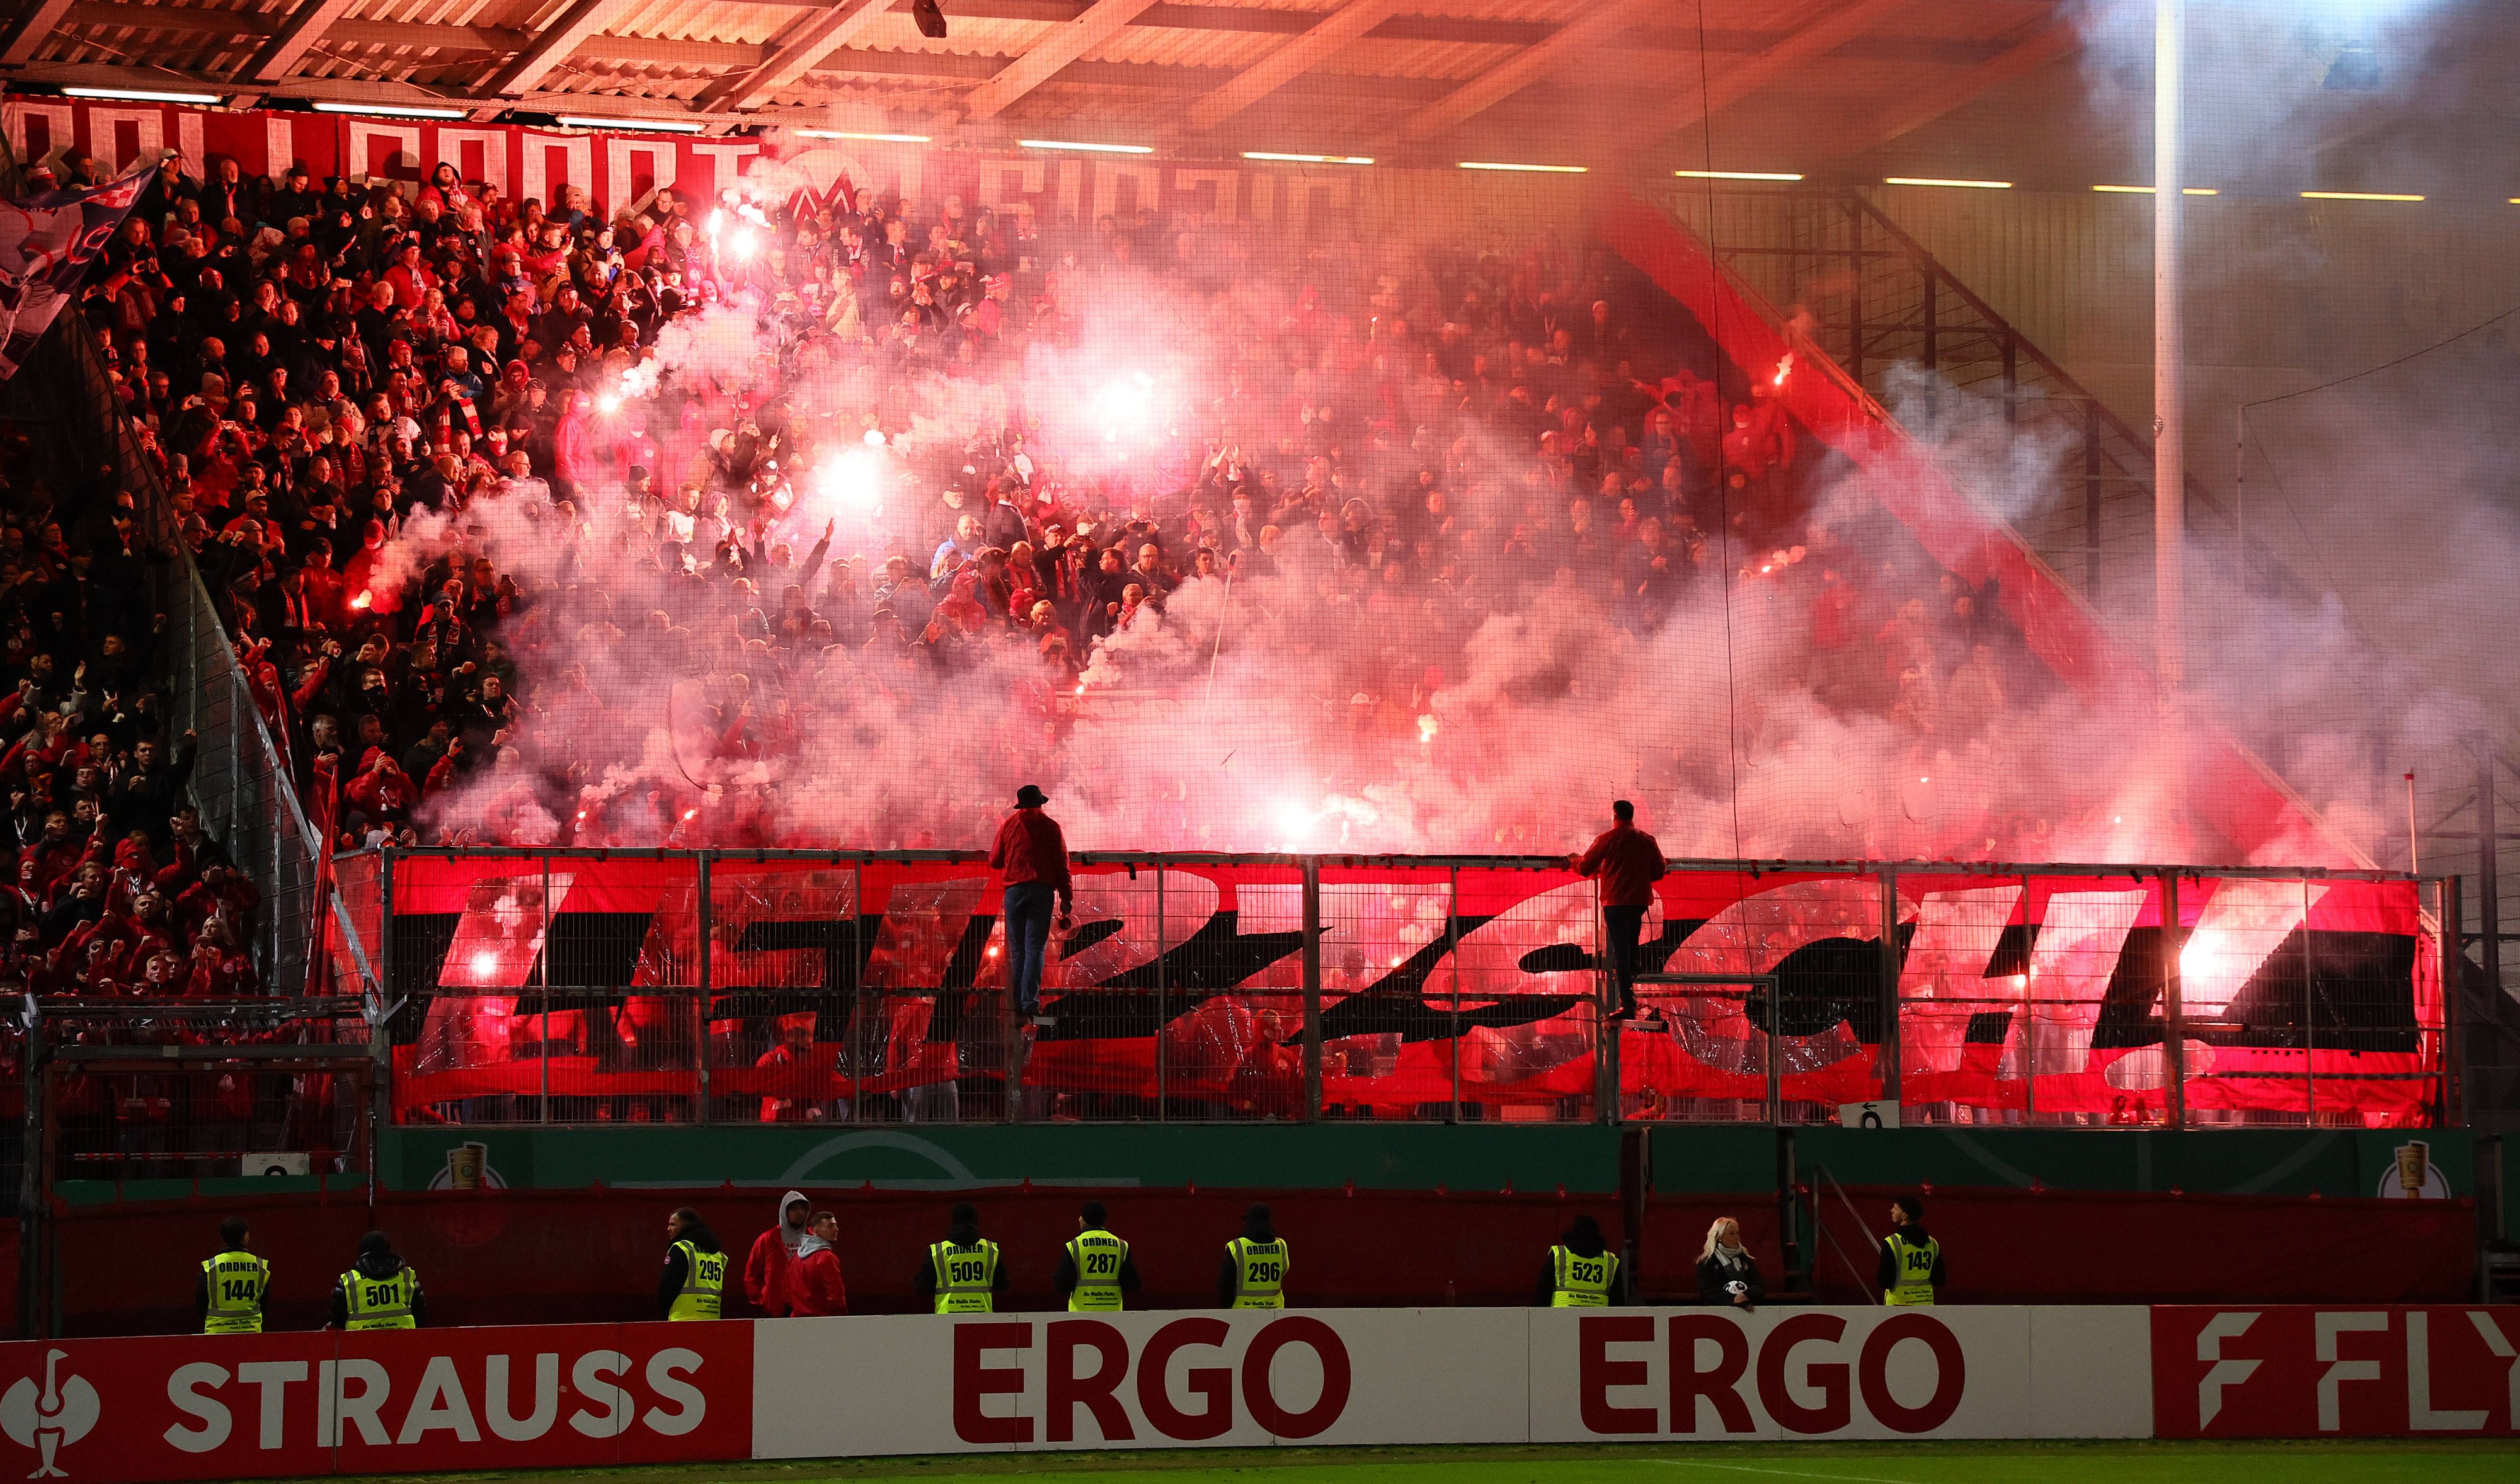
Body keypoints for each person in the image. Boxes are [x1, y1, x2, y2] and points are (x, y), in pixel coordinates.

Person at [1571, 799, 1667, 1020]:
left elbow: (1585, 867)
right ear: (1632, 816)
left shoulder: (1607, 839)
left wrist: (1573, 860)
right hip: (1639, 902)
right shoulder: (1647, 840)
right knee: (1631, 947)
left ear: (1614, 815)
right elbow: (1660, 870)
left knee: (1621, 953)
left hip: (1615, 903)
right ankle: (1634, 971)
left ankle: (1628, 1004)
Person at [987, 783, 1072, 1022]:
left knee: (1017, 950)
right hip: (1041, 892)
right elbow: (1062, 866)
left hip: (1014, 892)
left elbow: (995, 861)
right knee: (1035, 949)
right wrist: (1066, 899)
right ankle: (1029, 1003)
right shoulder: (1051, 827)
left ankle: (1017, 1005)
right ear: (1041, 804)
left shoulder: (1008, 825)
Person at [914, 1202, 1007, 1313]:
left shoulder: (938, 1251)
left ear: (954, 1222)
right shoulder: (991, 1250)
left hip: (948, 1315)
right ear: (975, 1222)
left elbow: (922, 1288)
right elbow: (1003, 1284)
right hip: (981, 1315)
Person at [1055, 1200, 1141, 1312]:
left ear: (1085, 1220)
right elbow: (1133, 1284)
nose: (1079, 1219)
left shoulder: (1075, 1246)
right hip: (1113, 1311)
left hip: (1081, 1311)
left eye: (1081, 1216)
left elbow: (1061, 1285)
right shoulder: (1121, 1245)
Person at [330, 1231, 423, 1330]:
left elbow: (336, 1318)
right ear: (388, 1249)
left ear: (362, 1251)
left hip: (360, 1339)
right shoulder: (407, 1276)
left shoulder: (349, 1280)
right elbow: (421, 1313)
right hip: (404, 1338)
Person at [197, 1216, 269, 1334]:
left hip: (216, 1334)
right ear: (245, 1237)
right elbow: (265, 1305)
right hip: (251, 1332)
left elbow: (201, 1305)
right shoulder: (260, 1266)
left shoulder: (210, 1267)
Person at [745, 1189, 811, 1317]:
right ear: (784, 1212)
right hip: (774, 1309)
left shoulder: (813, 1239)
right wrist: (762, 1301)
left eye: (802, 1209)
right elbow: (751, 1274)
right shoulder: (767, 1240)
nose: (799, 1213)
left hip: (806, 1308)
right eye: (794, 1209)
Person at [1535, 1213, 1620, 1307]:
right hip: (1598, 1315)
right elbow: (1618, 1300)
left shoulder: (1559, 1254)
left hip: (1562, 1314)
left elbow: (1543, 1293)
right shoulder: (1610, 1261)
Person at [660, 1206, 728, 1320]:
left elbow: (668, 1286)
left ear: (685, 1225)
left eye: (673, 1224)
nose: (668, 1229)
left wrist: (664, 1310)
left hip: (684, 1318)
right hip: (712, 1318)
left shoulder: (681, 1249)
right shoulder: (718, 1254)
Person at [1219, 1202, 1289, 1309]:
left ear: (1248, 1222)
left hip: (1242, 1312)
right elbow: (1284, 1270)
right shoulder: (1281, 1245)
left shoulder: (1237, 1247)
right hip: (1274, 1311)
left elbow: (1226, 1284)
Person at [1879, 1194, 1944, 1306]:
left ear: (1905, 1216)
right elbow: (1940, 1280)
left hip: (1898, 1306)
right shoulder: (1933, 1244)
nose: (1891, 1210)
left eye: (1895, 1208)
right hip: (1925, 1305)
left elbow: (1885, 1281)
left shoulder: (1892, 1243)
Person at [786, 1209, 849, 1316]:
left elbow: (788, 1290)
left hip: (797, 1319)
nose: (836, 1229)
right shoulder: (827, 1258)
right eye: (830, 1226)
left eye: (836, 1225)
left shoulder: (796, 1258)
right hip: (822, 1320)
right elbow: (836, 1295)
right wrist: (840, 1318)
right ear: (818, 1231)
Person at [1697, 1216, 1763, 1310]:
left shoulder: (1746, 1260)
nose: (1737, 1237)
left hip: (1748, 1309)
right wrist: (1735, 1300)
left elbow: (1759, 1285)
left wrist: (1747, 1295)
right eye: (1732, 1234)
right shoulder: (1707, 1263)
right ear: (1719, 1237)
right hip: (1719, 1310)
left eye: (1737, 1233)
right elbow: (1708, 1291)